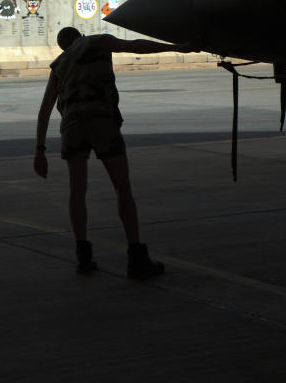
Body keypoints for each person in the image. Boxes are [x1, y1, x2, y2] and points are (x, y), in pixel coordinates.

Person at [33, 27, 191, 279]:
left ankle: (83, 258)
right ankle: (136, 258)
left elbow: (44, 110)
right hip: (101, 121)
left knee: (77, 192)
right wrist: (174, 48)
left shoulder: (60, 64)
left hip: (72, 127)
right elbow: (136, 46)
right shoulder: (98, 42)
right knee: (122, 189)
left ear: (63, 47)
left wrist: (40, 151)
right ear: (81, 36)